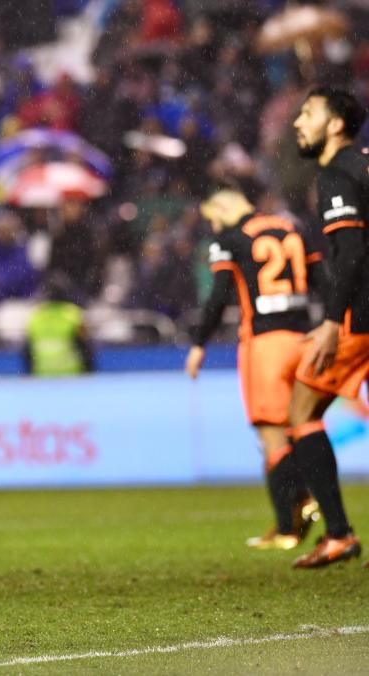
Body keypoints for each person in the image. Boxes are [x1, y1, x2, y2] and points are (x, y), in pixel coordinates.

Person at [184, 183, 321, 550]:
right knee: (303, 430)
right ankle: (304, 512)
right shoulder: (290, 227)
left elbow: (218, 295)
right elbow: (322, 280)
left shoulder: (231, 238)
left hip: (265, 344)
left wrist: (199, 343)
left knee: (272, 436)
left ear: (222, 211)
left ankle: (291, 522)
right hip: (305, 339)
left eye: (213, 220)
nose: (213, 228)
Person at [288, 87, 369, 568]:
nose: (298, 121)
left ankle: (338, 533)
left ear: (335, 124)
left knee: (302, 411)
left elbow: (352, 254)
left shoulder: (337, 174)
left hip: (361, 314)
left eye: (308, 113)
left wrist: (332, 321)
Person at [25, 273, 93, 377]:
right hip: (72, 377)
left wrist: (31, 375)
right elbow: (86, 350)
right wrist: (89, 375)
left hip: (42, 377)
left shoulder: (35, 317)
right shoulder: (74, 316)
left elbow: (27, 352)